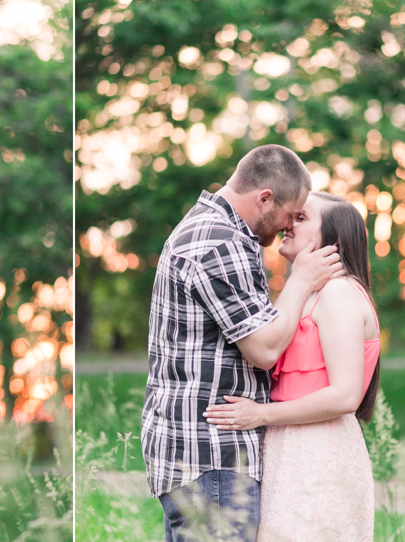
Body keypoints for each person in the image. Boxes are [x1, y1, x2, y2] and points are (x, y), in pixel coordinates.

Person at [140, 144, 345, 542]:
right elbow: (265, 350)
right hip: (213, 455)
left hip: (201, 455)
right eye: (290, 214)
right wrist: (301, 280)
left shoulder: (213, 231)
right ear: (265, 198)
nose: (289, 226)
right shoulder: (220, 243)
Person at [203, 192, 379, 541]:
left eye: (301, 219)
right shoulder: (312, 294)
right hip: (295, 444)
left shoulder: (339, 293)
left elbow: (345, 396)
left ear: (333, 240)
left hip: (319, 447)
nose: (287, 224)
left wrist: (260, 414)